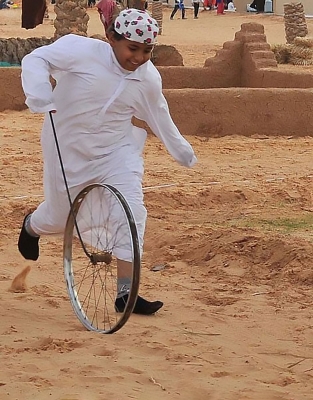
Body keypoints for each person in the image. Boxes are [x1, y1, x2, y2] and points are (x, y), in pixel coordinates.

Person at [19, 8, 197, 316]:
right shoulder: (81, 50)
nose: (139, 58)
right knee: (62, 216)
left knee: (132, 212)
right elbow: (36, 59)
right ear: (111, 38)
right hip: (68, 145)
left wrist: (182, 151)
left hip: (116, 152)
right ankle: (32, 226)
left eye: (147, 51)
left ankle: (126, 292)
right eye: (133, 48)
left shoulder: (148, 79)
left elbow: (159, 116)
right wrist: (39, 93)